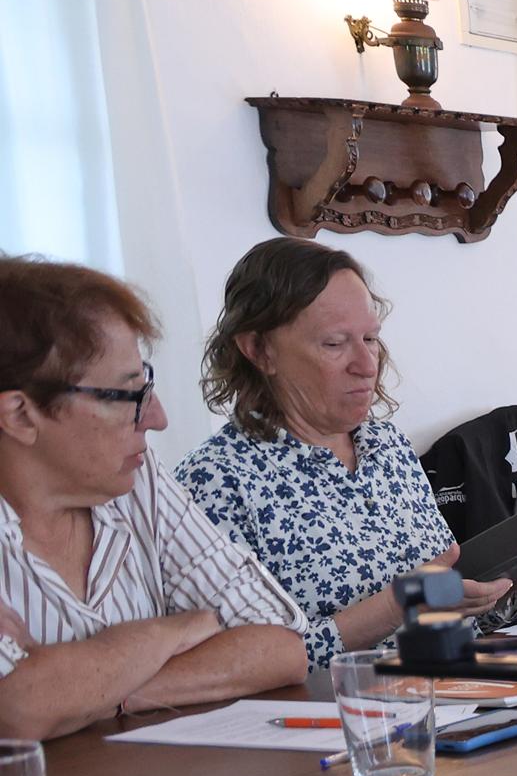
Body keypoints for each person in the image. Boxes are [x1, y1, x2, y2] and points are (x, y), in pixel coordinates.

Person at [0, 256, 305, 740]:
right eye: (126, 396)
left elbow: (281, 645)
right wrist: (170, 632)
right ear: (20, 415)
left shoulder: (136, 483)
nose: (156, 418)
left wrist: (99, 692)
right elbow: (17, 708)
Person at [175, 238, 508, 667]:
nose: (368, 364)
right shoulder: (214, 483)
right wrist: (393, 607)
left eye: (370, 338)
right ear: (258, 350)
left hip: (456, 696)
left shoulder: (388, 447)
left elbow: (447, 612)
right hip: (331, 724)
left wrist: (506, 583)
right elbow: (232, 671)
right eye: (334, 344)